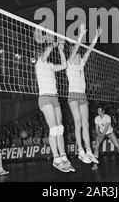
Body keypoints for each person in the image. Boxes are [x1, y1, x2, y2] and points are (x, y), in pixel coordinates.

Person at [34, 35, 75, 173]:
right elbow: (46, 52)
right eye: (40, 53)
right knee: (53, 129)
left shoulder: (50, 66)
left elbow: (64, 65)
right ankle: (56, 159)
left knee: (60, 129)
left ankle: (64, 158)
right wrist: (54, 44)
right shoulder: (39, 63)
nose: (42, 54)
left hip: (54, 97)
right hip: (45, 98)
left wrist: (62, 50)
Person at [66, 23, 100, 164]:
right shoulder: (69, 63)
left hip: (83, 95)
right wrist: (80, 34)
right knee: (78, 122)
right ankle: (80, 150)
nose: (80, 56)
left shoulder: (81, 64)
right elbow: (76, 48)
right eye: (77, 55)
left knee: (86, 123)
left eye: (80, 56)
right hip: (73, 95)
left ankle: (88, 151)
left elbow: (89, 50)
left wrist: (96, 37)